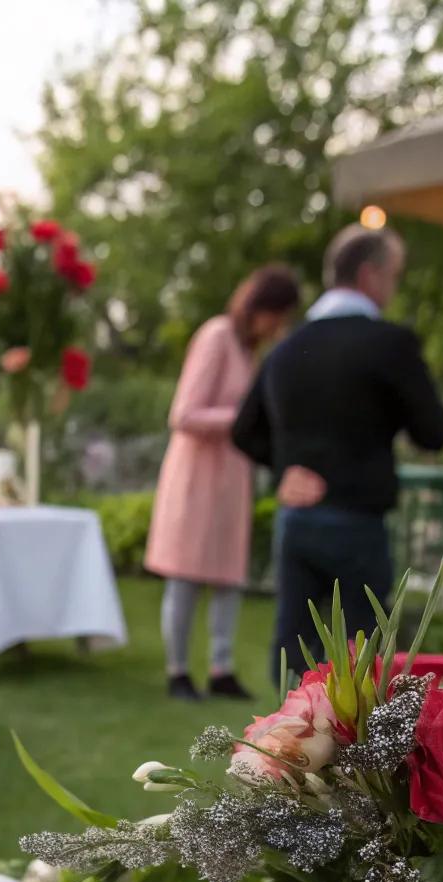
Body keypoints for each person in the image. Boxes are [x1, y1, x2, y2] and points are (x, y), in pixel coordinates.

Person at [232, 225, 443, 684]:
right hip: (356, 523)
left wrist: (285, 468)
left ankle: (282, 753)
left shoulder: (285, 349)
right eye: (395, 275)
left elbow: (242, 430)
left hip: (297, 523)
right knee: (364, 665)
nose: (394, 286)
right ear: (371, 274)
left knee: (295, 659)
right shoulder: (390, 344)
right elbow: (433, 432)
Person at [145, 264, 301, 701]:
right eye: (279, 314)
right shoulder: (216, 335)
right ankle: (178, 670)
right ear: (262, 307)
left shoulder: (247, 351)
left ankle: (221, 667)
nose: (279, 326)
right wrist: (244, 419)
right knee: (186, 575)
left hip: (232, 477)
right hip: (197, 475)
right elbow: (184, 413)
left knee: (229, 576)